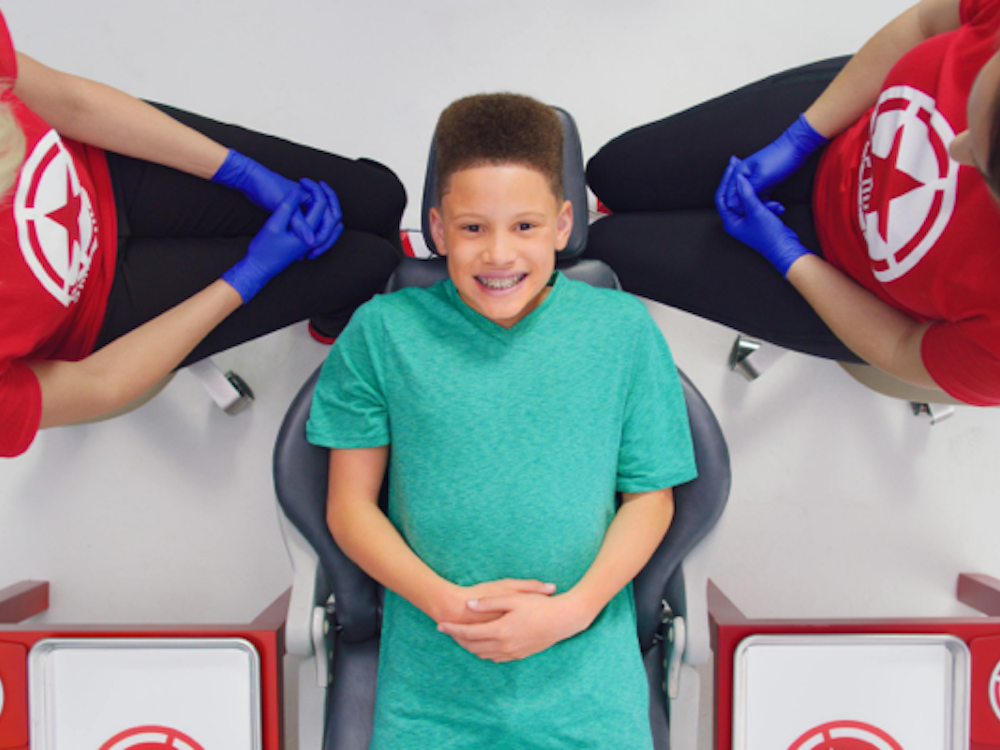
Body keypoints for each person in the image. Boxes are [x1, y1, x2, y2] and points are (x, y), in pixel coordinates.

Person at [306, 93, 697, 748]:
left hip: (587, 685)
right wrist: (444, 603)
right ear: (436, 228)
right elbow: (349, 508)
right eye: (471, 228)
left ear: (564, 224)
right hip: (434, 692)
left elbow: (650, 500)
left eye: (524, 226)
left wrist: (570, 612)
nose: (498, 254)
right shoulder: (382, 333)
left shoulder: (623, 330)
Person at [0, 10, 406, 458]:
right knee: (365, 264)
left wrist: (241, 172)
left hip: (105, 168)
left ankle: (356, 292)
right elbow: (99, 383)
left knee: (379, 196)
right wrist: (247, 277)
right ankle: (339, 316)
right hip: (95, 314)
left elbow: (72, 103)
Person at [585, 0, 1000, 406]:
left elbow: (903, 348)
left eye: (979, 163)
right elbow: (925, 23)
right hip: (844, 124)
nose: (955, 146)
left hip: (839, 278)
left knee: (604, 250)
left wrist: (790, 257)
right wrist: (801, 136)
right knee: (611, 172)